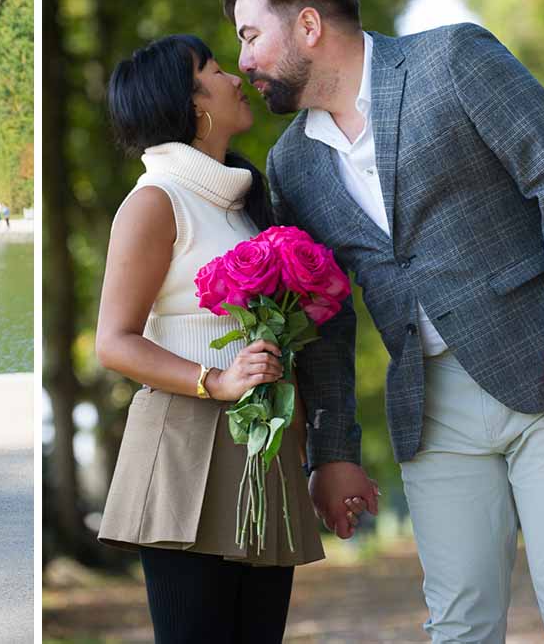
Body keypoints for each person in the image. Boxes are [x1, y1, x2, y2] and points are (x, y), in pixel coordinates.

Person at [219, 0, 544, 642]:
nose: (245, 62)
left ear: (310, 27)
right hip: (430, 410)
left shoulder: (453, 60)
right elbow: (323, 315)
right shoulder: (290, 163)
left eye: (251, 35)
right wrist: (333, 448)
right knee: (459, 621)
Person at [95, 35, 346, 644]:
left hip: (262, 447)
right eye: (213, 69)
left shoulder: (242, 202)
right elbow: (114, 341)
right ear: (191, 104)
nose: (235, 77)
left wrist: (315, 454)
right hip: (184, 446)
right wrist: (216, 380)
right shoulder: (155, 201)